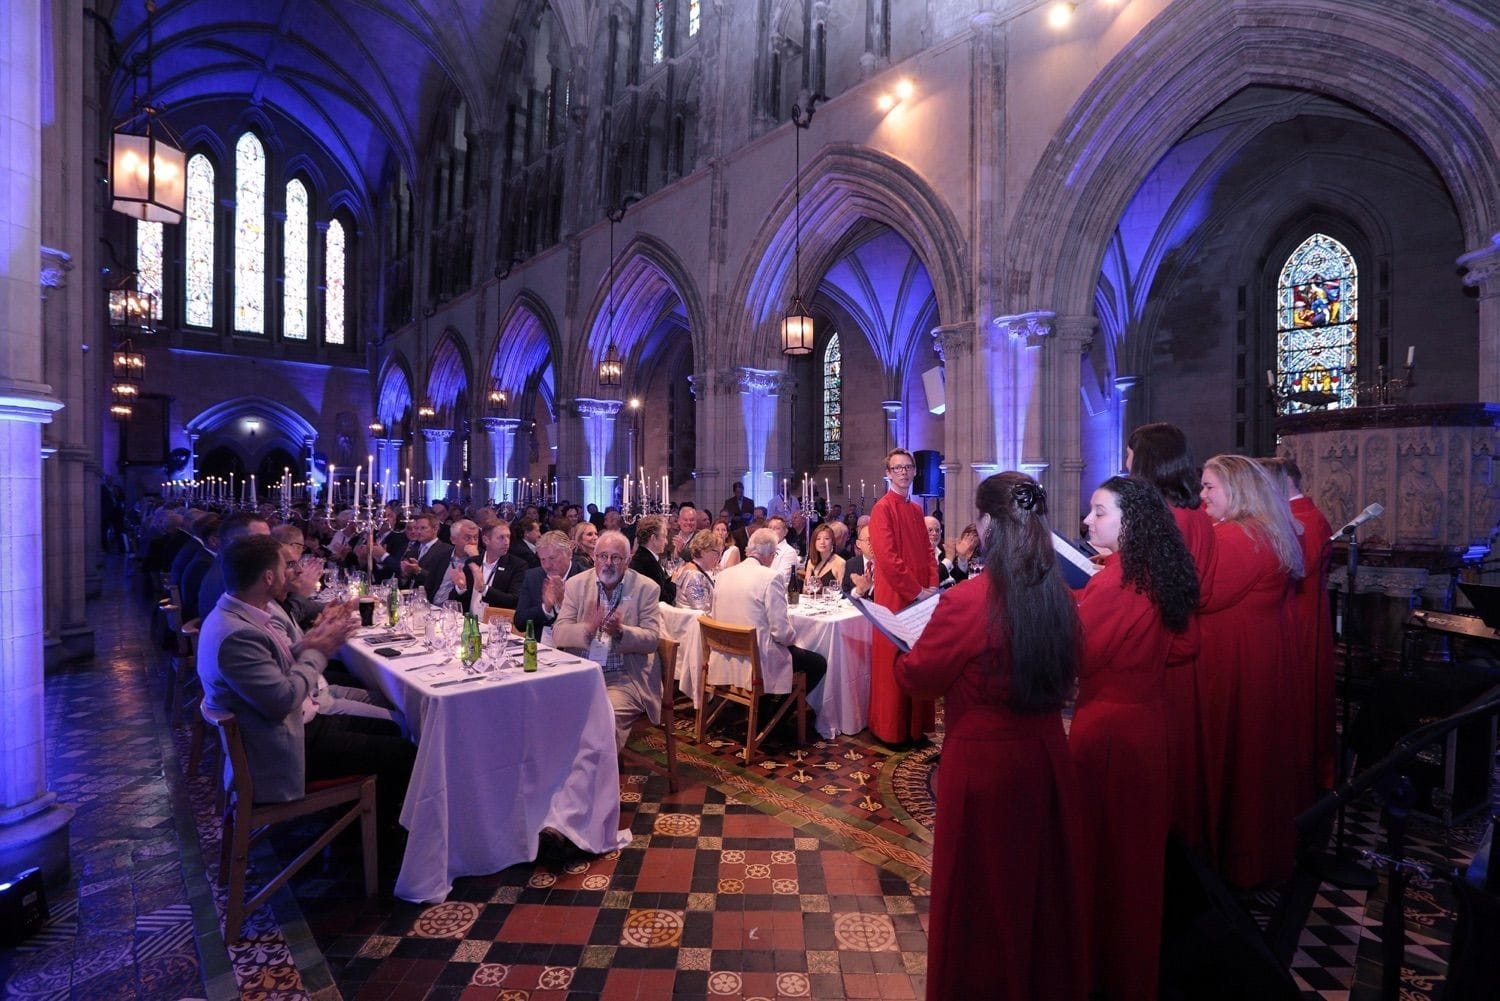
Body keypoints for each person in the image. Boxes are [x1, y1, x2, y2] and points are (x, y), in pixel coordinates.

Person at [894, 472, 1087, 1001]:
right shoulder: (1060, 595)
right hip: (1045, 757)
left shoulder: (971, 600)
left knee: (978, 896)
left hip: (982, 768)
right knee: (1036, 888)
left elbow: (918, 678)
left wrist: (901, 650)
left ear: (986, 525)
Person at [1074, 476, 1199, 1001]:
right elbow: (1183, 647)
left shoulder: (1115, 583)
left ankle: (1100, 975)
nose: (1087, 521)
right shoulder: (1159, 572)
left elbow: (1077, 657)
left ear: (1131, 521)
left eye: (1099, 512)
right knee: (1137, 866)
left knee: (1102, 865)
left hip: (1108, 733)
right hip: (1149, 725)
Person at [197, 535, 414, 833]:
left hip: (293, 725)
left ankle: (362, 827)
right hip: (282, 748)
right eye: (285, 568)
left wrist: (317, 635)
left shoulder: (242, 614)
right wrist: (319, 649)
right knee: (404, 752)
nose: (293, 574)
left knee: (400, 729)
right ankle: (370, 847)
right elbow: (284, 699)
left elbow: (277, 664)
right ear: (268, 576)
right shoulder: (236, 635)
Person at [1199, 453, 1305, 886]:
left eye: (1209, 487)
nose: (1201, 494)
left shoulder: (1239, 538)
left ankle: (1235, 860)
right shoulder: (1255, 530)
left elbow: (1201, 594)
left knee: (1238, 759)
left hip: (1236, 660)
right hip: (1253, 654)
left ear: (1237, 491)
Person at [1127, 421, 1217, 849]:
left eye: (1130, 456)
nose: (1126, 465)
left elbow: (1151, 591)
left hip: (1163, 651)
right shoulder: (1193, 514)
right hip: (1183, 646)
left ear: (1147, 461)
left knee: (1159, 772)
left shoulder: (1168, 519)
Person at [1261, 456, 1336, 794]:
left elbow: (1297, 567)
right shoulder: (1292, 514)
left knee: (1303, 691)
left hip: (1302, 611)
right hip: (1291, 607)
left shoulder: (1308, 517)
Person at [552, 531, 663, 752]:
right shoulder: (576, 585)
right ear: (594, 557)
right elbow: (559, 634)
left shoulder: (646, 588)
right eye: (603, 556)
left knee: (603, 721)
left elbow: (651, 639)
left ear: (628, 559)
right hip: (583, 673)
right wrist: (588, 628)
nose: (608, 563)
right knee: (549, 713)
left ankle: (599, 782)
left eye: (616, 557)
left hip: (625, 676)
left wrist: (621, 632)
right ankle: (564, 779)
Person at [710, 529, 828, 738]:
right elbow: (781, 632)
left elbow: (714, 615)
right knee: (817, 662)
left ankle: (764, 712)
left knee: (790, 652)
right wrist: (795, 639)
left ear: (749, 549)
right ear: (771, 554)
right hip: (757, 662)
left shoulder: (723, 575)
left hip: (726, 655)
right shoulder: (770, 577)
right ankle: (776, 720)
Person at [868, 448, 939, 746]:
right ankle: (892, 730)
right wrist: (917, 590)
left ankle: (914, 727)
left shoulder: (915, 510)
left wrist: (933, 586)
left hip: (921, 597)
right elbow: (888, 559)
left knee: (917, 661)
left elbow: (928, 552)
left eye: (908, 467)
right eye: (897, 468)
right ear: (888, 473)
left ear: (914, 472)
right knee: (893, 661)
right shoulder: (882, 509)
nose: (903, 472)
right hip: (895, 598)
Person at [455, 520, 530, 612]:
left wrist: (484, 589)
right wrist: (460, 588)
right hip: (470, 621)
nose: (507, 542)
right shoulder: (473, 562)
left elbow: (514, 600)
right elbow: (456, 601)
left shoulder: (517, 565)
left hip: (495, 622)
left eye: (508, 537)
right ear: (486, 540)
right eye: (501, 538)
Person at [514, 531, 575, 639]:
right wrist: (545, 608)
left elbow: (589, 627)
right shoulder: (532, 577)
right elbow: (519, 622)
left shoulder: (584, 579)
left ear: (569, 553)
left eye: (552, 558)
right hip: (539, 648)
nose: (547, 565)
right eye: (542, 559)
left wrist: (562, 604)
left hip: (572, 649)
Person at [398, 513, 454, 603]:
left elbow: (439, 580)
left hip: (429, 602)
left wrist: (418, 570)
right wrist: (405, 574)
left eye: (423, 528)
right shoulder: (413, 548)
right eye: (417, 528)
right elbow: (404, 579)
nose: (418, 532)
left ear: (435, 528)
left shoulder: (446, 550)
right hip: (408, 599)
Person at [628, 515, 677, 605]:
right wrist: (674, 581)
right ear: (653, 538)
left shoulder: (642, 557)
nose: (666, 542)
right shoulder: (648, 563)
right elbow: (664, 600)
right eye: (664, 536)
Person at [672, 529, 721, 611]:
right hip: (694, 623)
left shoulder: (690, 567)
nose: (719, 557)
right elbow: (702, 612)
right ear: (703, 551)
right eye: (717, 552)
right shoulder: (695, 576)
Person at [800, 523, 845, 591]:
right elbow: (805, 590)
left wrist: (821, 589)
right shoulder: (811, 562)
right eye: (818, 539)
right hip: (811, 600)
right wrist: (808, 589)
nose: (822, 542)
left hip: (831, 601)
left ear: (832, 541)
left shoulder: (840, 562)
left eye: (826, 539)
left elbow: (841, 591)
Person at [843, 525, 875, 598]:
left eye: (876, 539)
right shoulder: (851, 564)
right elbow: (845, 593)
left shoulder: (887, 565)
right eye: (869, 540)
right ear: (858, 544)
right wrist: (858, 591)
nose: (874, 544)